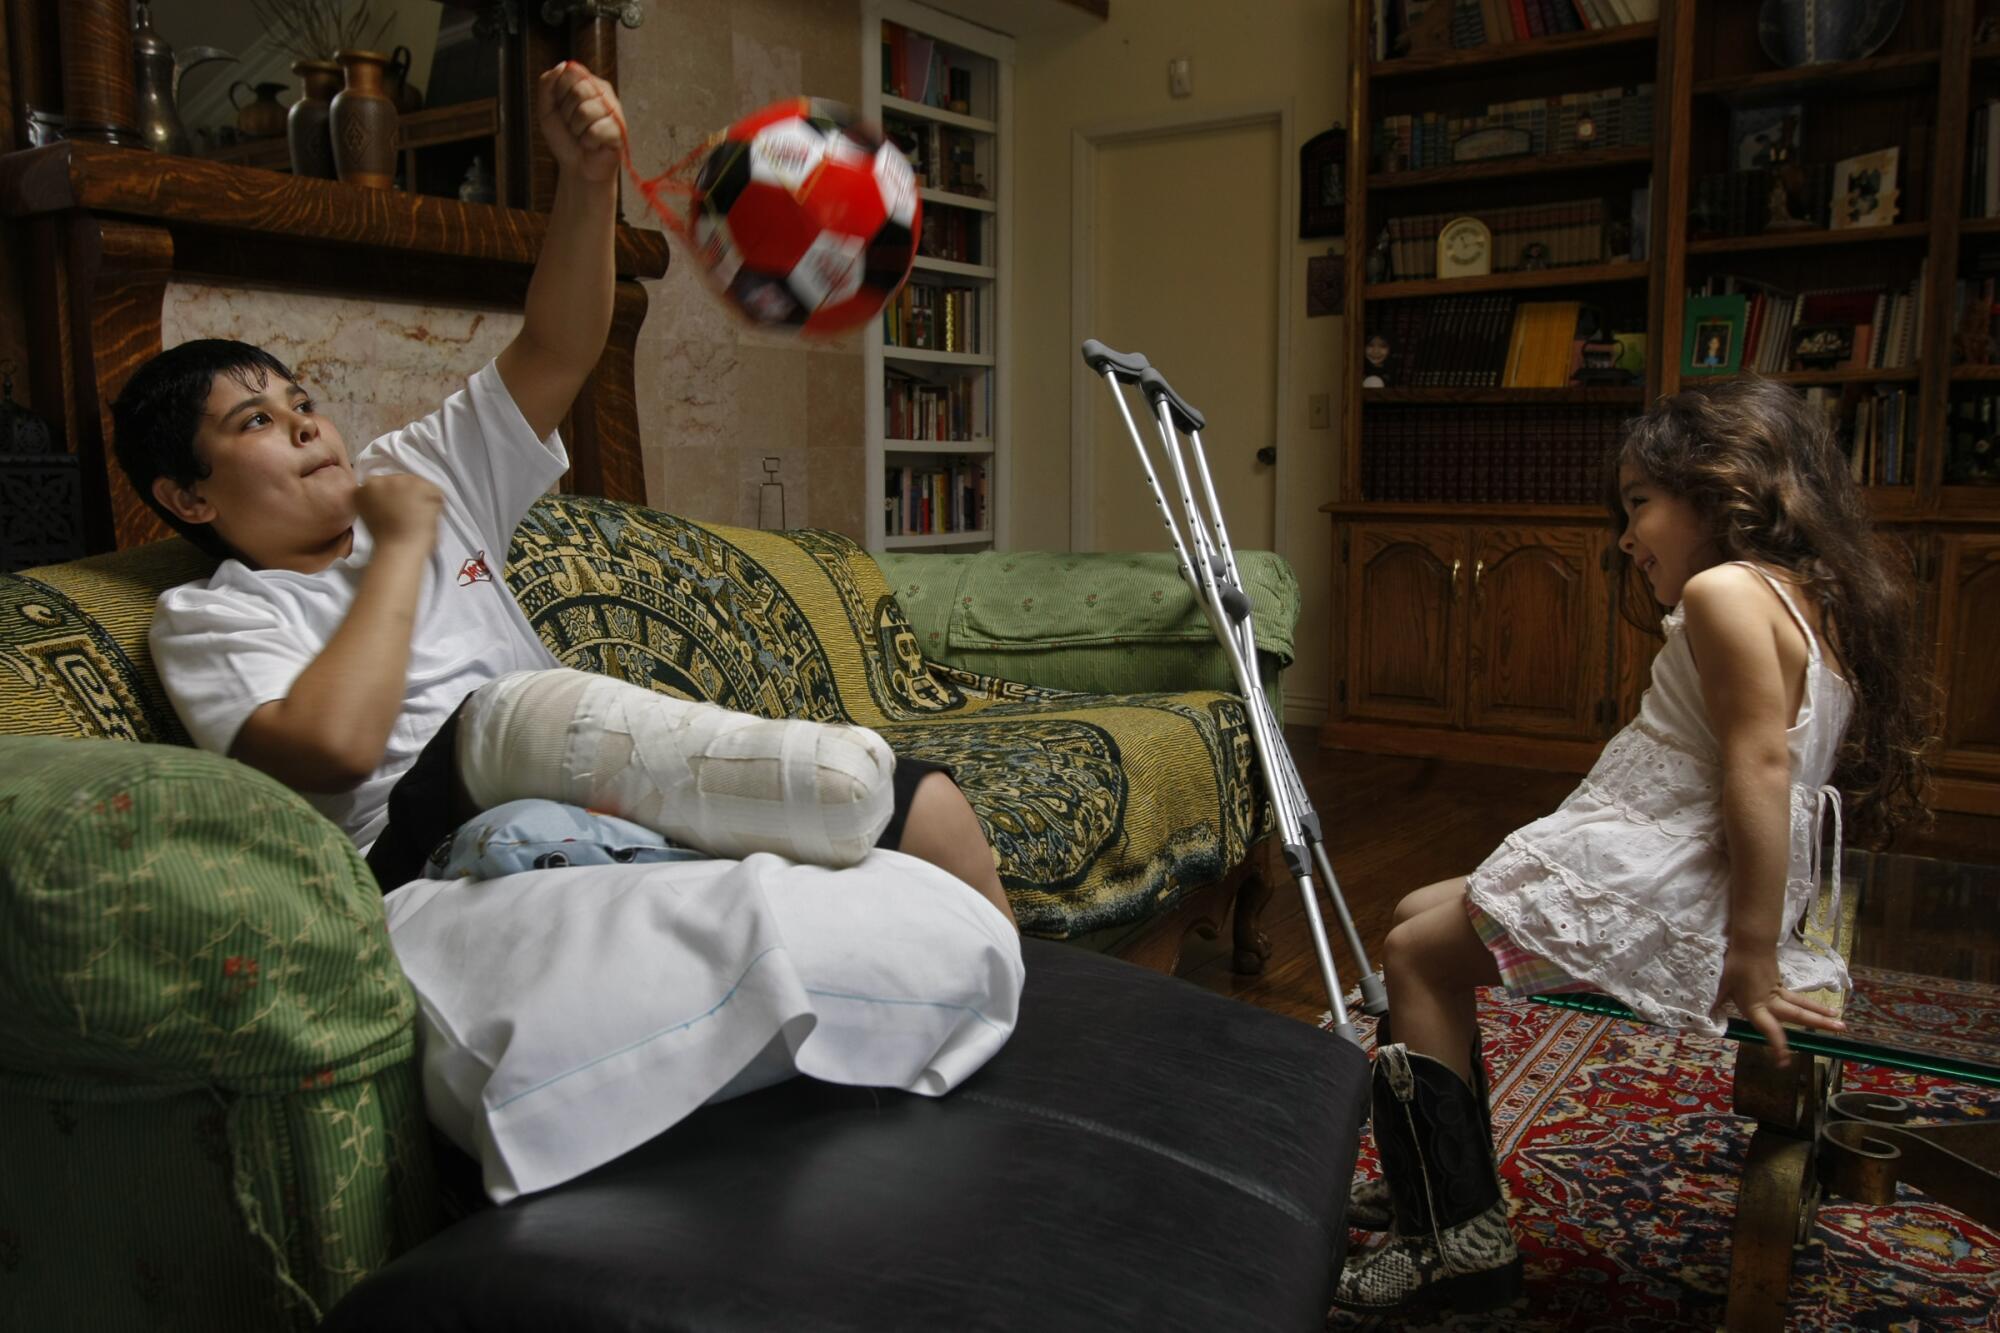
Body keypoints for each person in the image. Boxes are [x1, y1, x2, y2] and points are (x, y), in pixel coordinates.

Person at [109, 60, 1014, 931]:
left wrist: (585, 181)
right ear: (189, 497)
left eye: (303, 401)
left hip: (573, 787)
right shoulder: (211, 618)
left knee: (925, 809)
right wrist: (397, 548)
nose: (307, 425)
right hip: (420, 845)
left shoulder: (417, 466)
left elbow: (556, 350)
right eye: (256, 422)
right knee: (512, 716)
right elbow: (337, 751)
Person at [1332, 377, 1933, 1316]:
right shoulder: (1802, 594)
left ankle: (1459, 1245)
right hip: (1678, 859)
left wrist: (1752, 950)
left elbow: (1762, 770)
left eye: (1639, 505)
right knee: (1415, 912)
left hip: (1679, 877)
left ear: (1717, 490)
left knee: (1413, 952)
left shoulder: (1726, 590)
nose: (1625, 535)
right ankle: (1433, 1182)